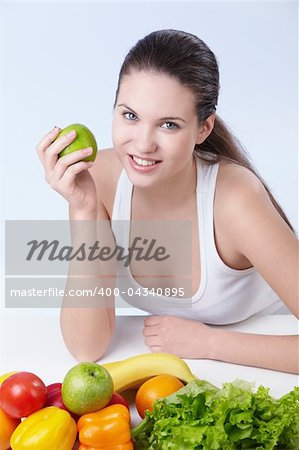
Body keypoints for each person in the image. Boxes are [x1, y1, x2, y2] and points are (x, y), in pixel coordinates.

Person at [36, 29, 298, 373]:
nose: (143, 144)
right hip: (191, 374)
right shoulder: (100, 177)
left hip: (267, 368)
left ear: (203, 128)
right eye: (130, 115)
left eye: (169, 125)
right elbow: (87, 346)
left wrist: (210, 344)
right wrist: (84, 209)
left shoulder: (235, 199)